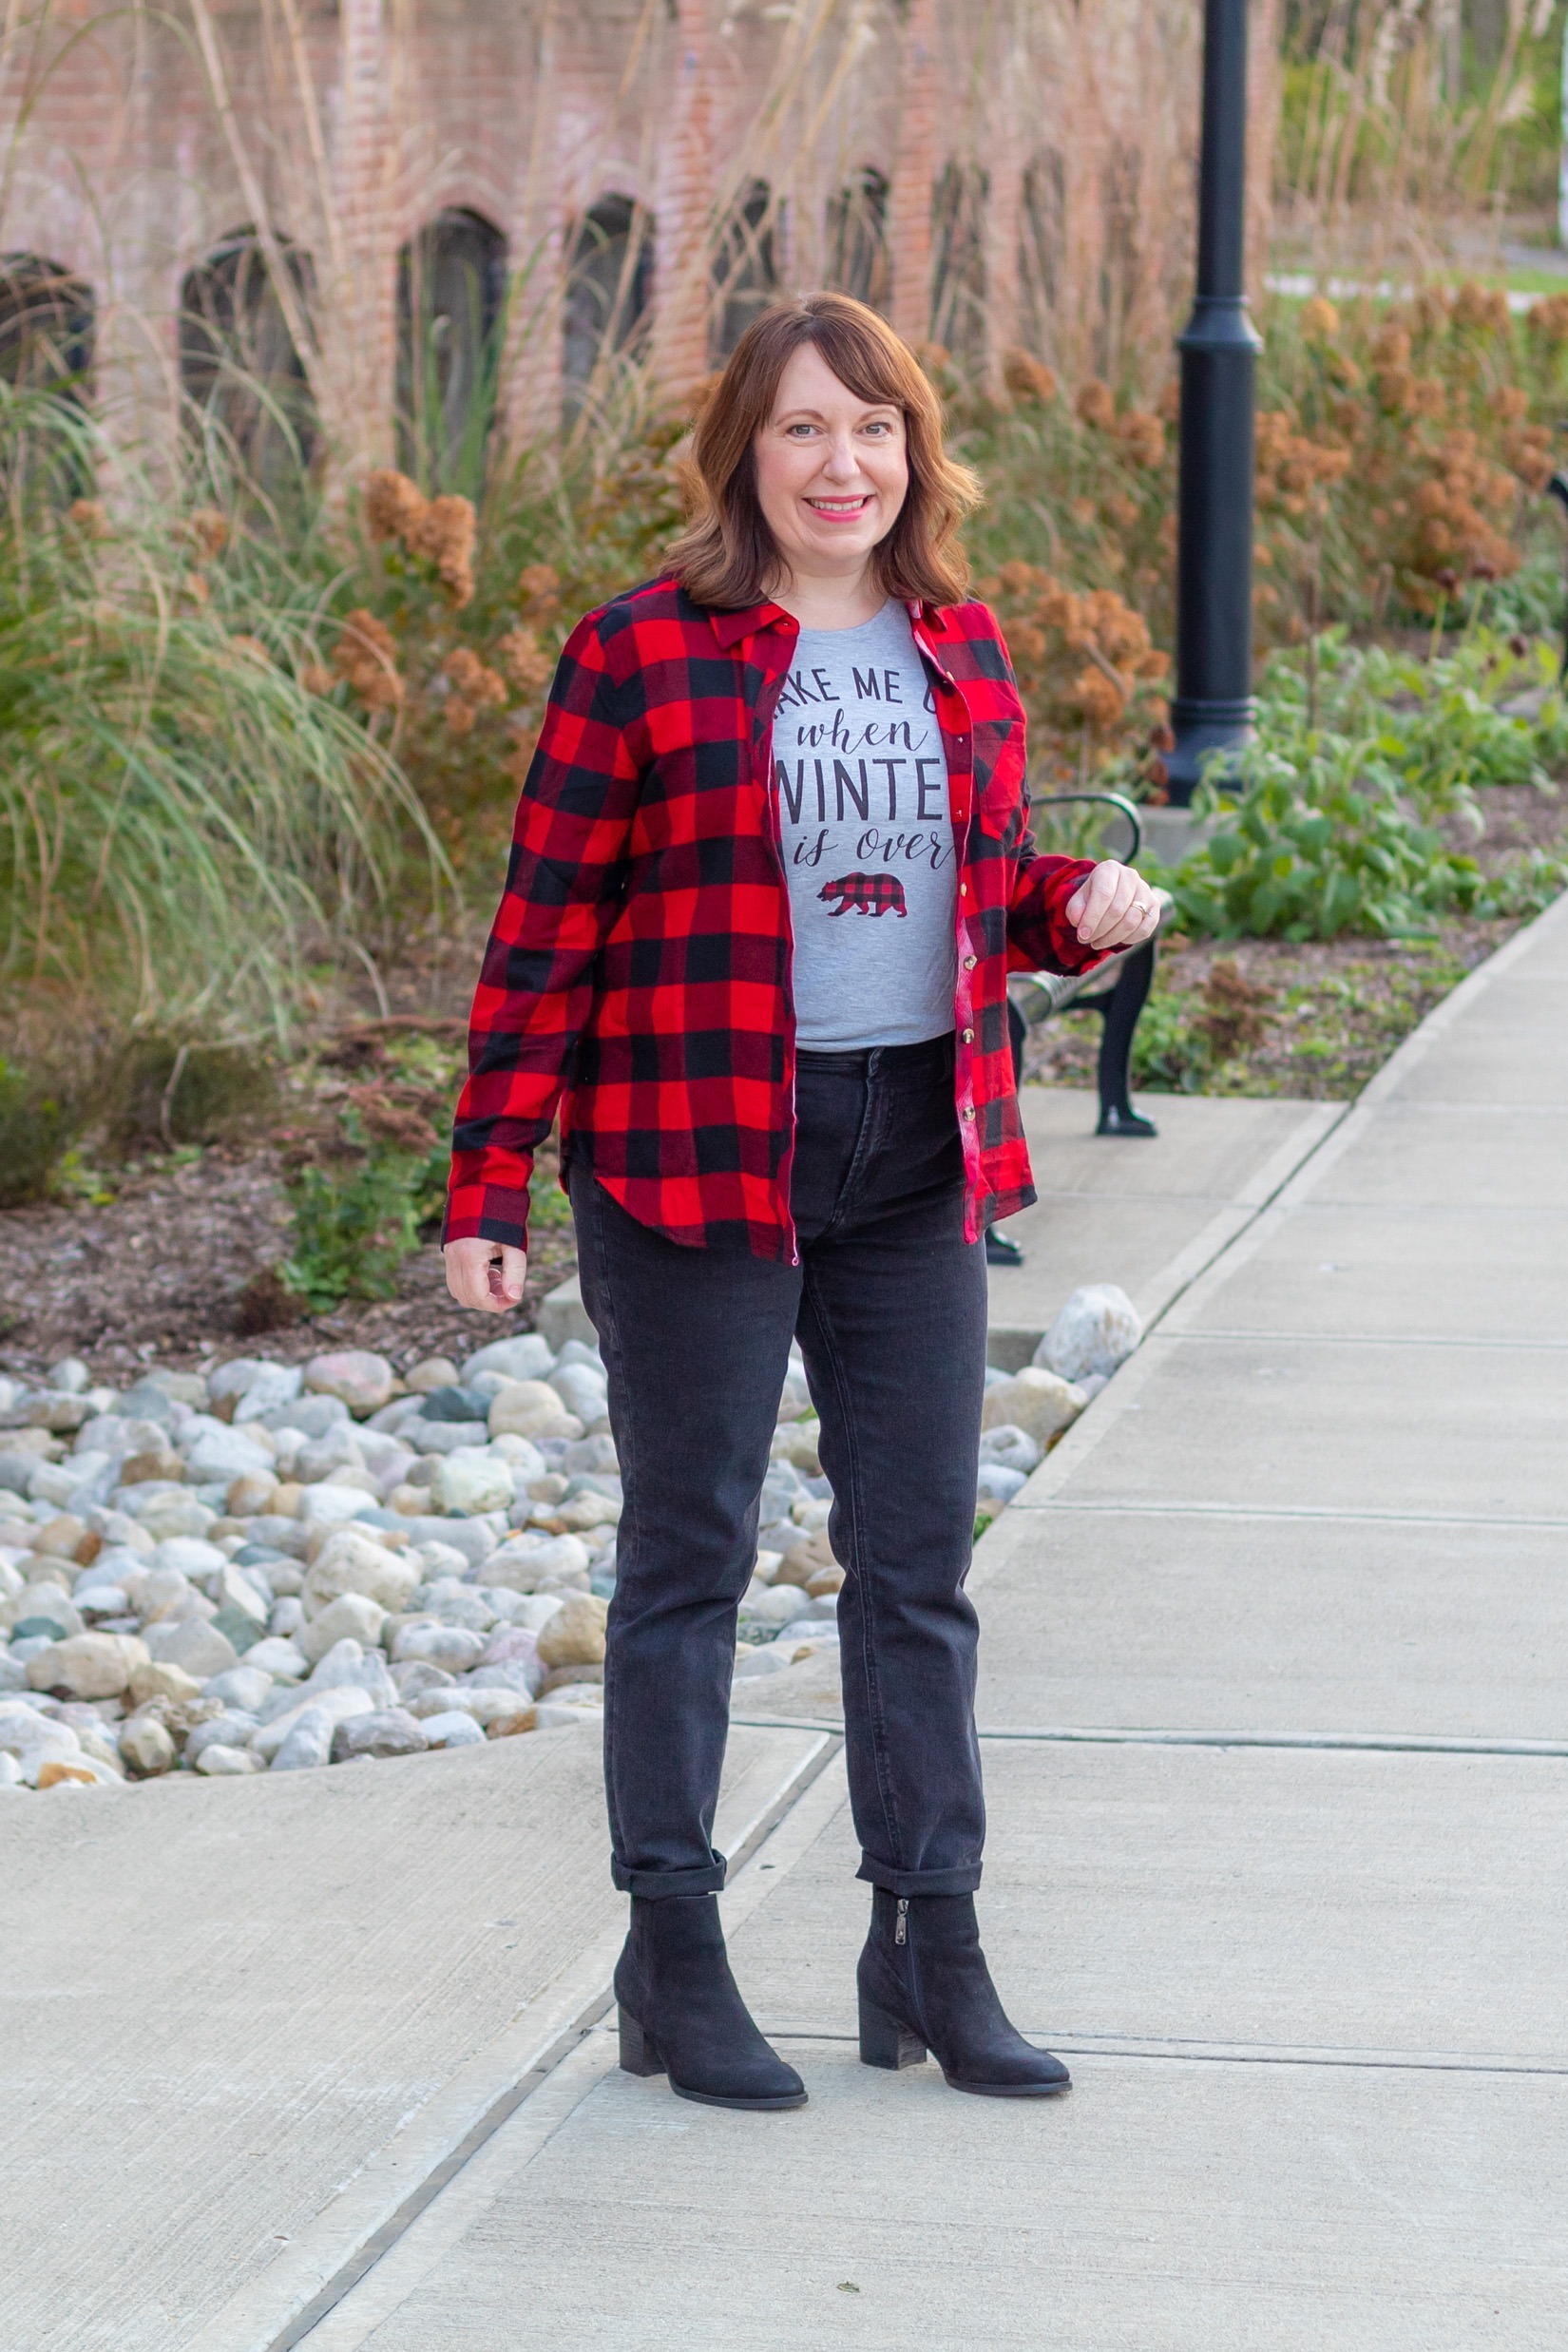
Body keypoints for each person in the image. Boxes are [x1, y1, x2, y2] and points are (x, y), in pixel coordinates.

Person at [443, 292, 1159, 2113]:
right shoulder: (642, 653)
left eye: (873, 431)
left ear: (912, 454)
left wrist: (1067, 904)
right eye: (802, 432)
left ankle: (930, 1943)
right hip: (694, 1153)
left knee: (915, 1574)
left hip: (913, 1156)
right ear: (741, 459)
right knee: (686, 1562)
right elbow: (545, 928)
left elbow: (981, 881)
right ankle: (672, 1956)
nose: (842, 465)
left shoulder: (960, 644)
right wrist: (487, 1175)